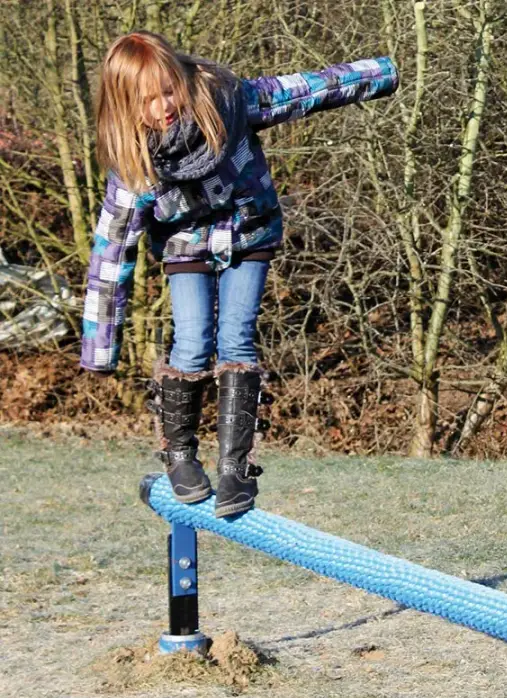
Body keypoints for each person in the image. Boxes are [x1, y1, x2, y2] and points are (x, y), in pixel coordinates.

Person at [80, 32, 398, 517]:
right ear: (126, 107)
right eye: (147, 101)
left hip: (249, 233)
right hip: (186, 245)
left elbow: (301, 91)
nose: (164, 106)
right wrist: (101, 350)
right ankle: (180, 456)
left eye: (169, 91)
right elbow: (110, 257)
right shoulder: (133, 166)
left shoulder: (222, 100)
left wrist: (379, 73)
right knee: (191, 340)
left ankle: (235, 470)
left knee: (237, 339)